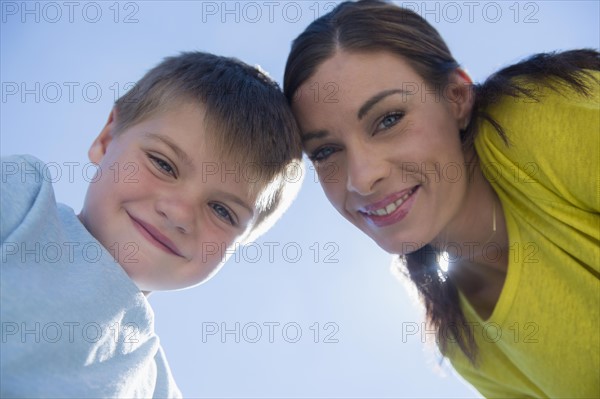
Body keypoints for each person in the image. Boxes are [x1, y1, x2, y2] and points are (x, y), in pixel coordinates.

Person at [283, 0, 599, 397]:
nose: (362, 178)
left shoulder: (536, 121)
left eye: (389, 119)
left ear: (456, 97)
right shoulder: (463, 342)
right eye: (326, 152)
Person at [1, 51, 303, 398]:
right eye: (163, 164)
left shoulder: (157, 388)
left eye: (221, 210)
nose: (179, 213)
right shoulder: (23, 198)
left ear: (244, 241)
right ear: (105, 139)